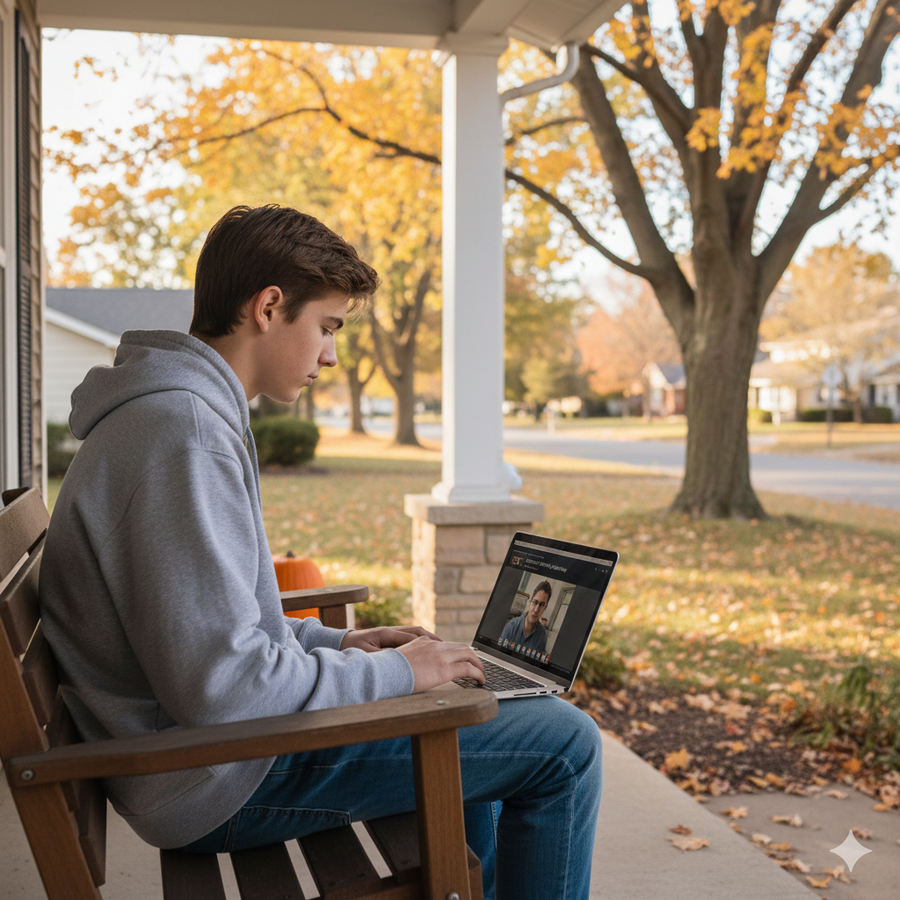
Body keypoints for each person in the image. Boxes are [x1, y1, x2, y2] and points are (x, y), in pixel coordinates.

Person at [39, 204, 602, 900]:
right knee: (565, 745)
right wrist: (396, 675)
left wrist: (345, 645)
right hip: (216, 776)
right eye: (328, 327)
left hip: (212, 755)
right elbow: (225, 688)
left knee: (472, 707)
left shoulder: (183, 414)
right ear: (270, 307)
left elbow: (223, 628)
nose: (332, 355)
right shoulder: (181, 432)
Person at [500, 582, 551, 655]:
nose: (536, 609)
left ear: (545, 608)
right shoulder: (511, 626)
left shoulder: (542, 636)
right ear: (530, 602)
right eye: (535, 602)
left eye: (542, 605)